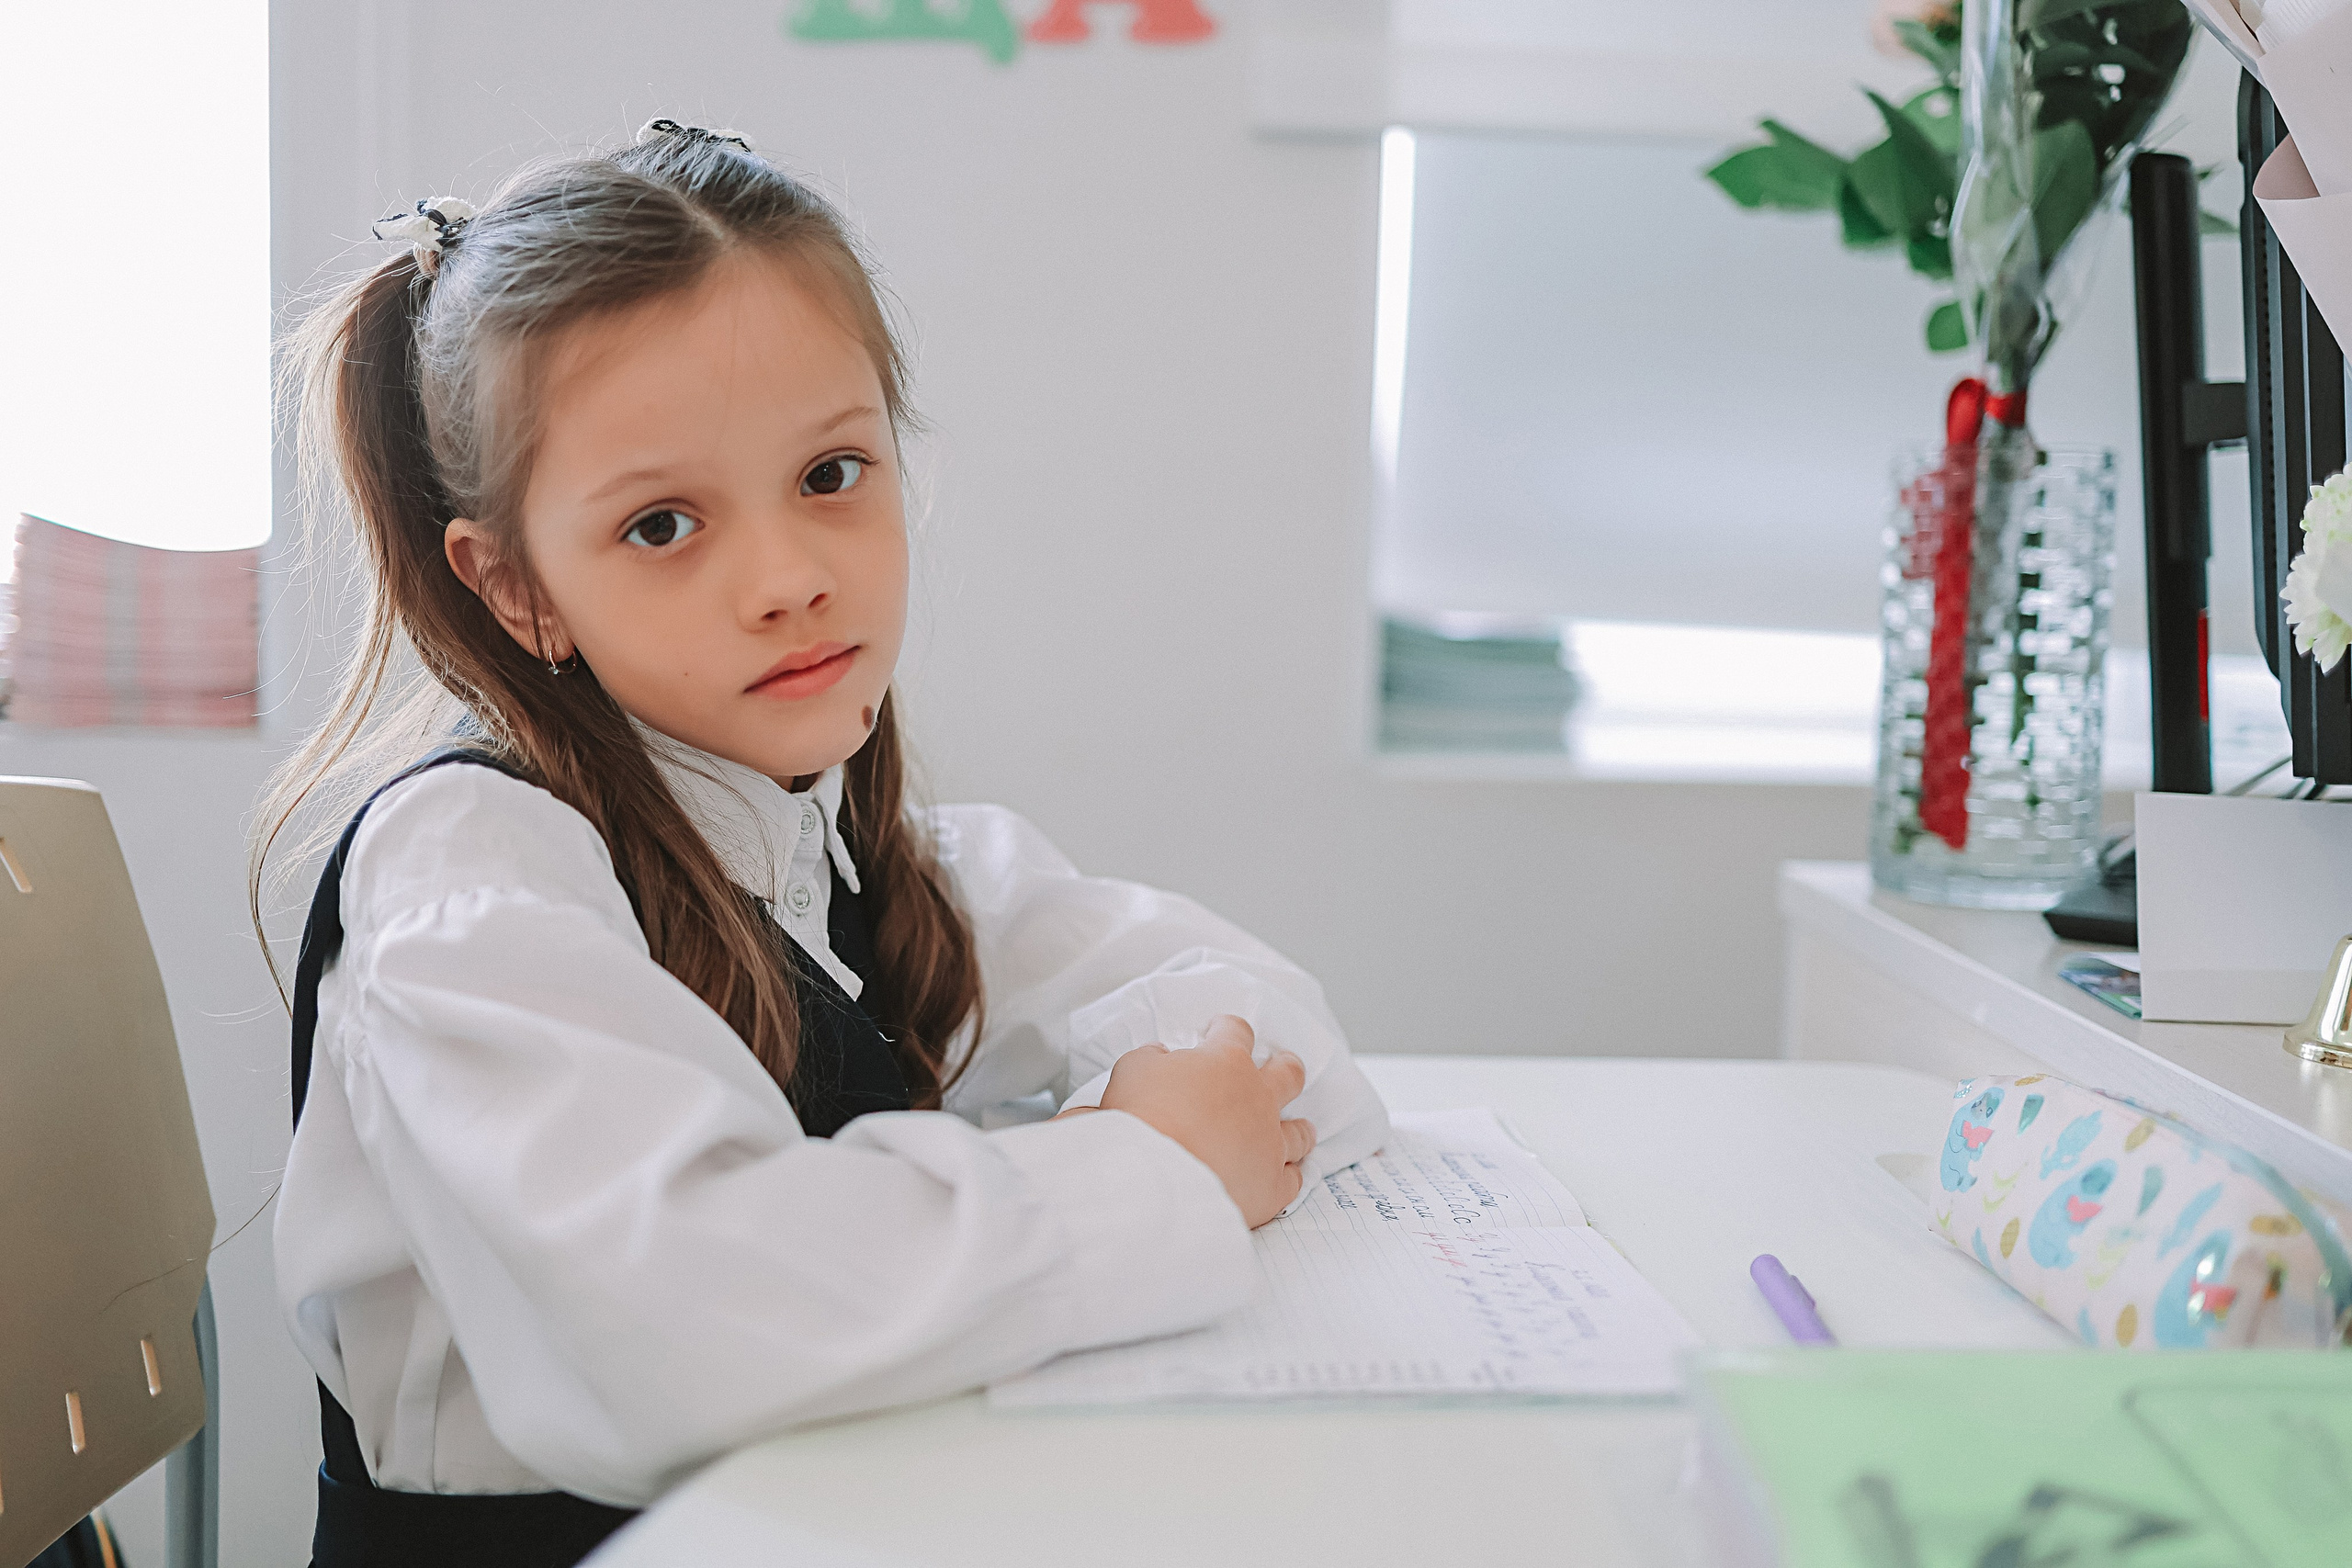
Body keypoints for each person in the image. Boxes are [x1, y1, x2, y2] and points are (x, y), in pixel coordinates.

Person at [256, 118, 1389, 1567]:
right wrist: (1140, 1161)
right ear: (515, 589)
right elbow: (686, 1323)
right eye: (663, 525)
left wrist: (1181, 1115)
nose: (789, 577)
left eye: (831, 474)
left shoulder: (838, 847)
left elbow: (1271, 1026)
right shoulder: (471, 879)